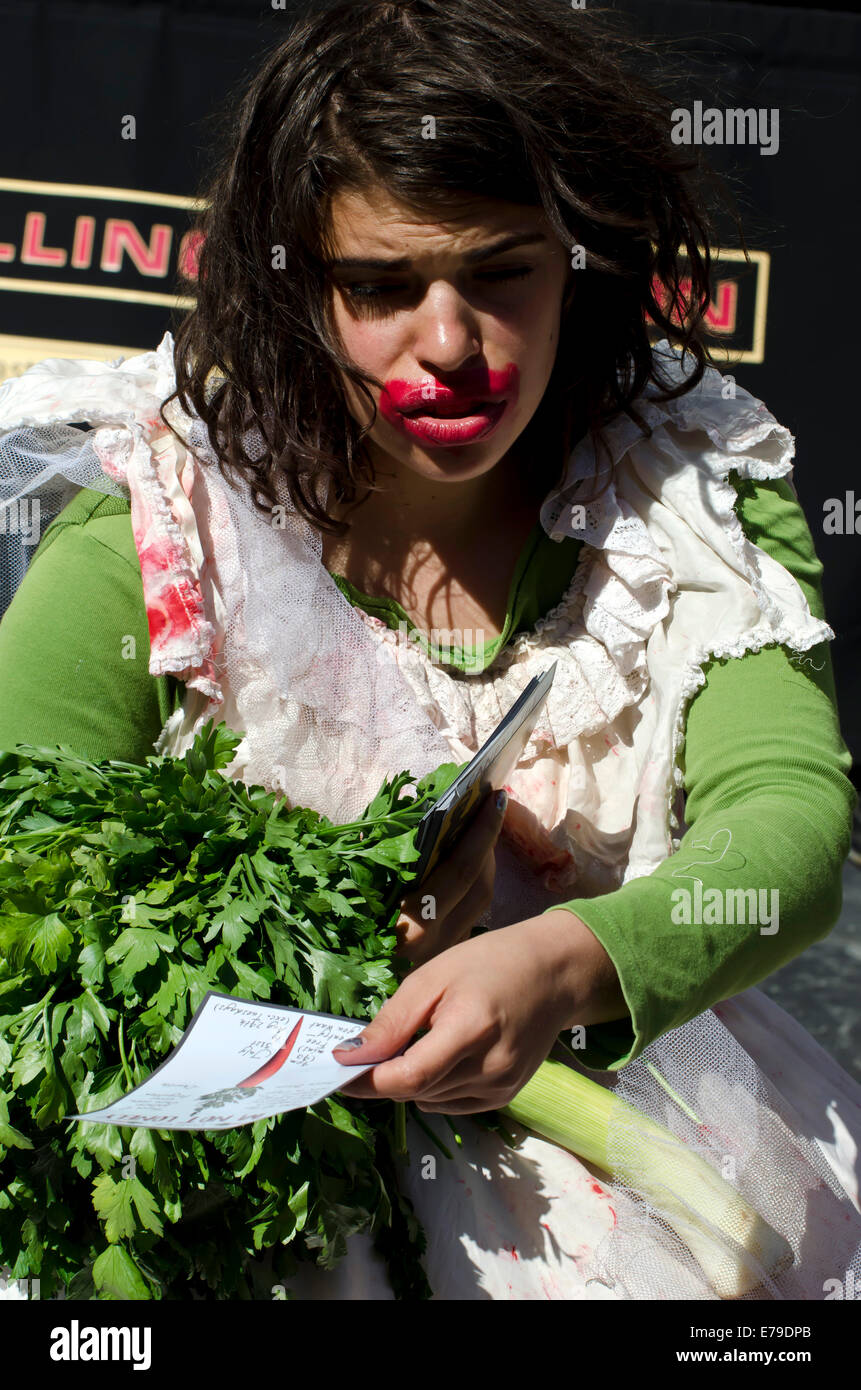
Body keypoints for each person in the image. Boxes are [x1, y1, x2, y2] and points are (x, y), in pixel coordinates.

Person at [0, 0, 859, 1300]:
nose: (448, 344)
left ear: (582, 256)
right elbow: (26, 851)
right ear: (295, 279)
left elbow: (786, 808)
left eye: (500, 270)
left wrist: (568, 961)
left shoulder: (691, 479)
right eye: (381, 287)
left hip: (643, 1119)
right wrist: (335, 929)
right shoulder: (169, 511)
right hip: (245, 1167)